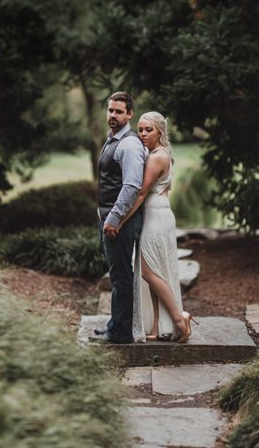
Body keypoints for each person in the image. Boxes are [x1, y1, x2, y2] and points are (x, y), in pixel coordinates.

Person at [120, 111, 193, 343]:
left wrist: (119, 220)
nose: (142, 133)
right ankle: (157, 326)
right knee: (153, 271)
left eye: (148, 129)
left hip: (156, 216)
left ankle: (180, 320)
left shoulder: (157, 157)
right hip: (158, 213)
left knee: (149, 272)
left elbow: (140, 194)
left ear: (160, 131)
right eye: (140, 129)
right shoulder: (159, 153)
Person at [92, 91, 148, 343]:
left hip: (120, 223)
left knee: (121, 277)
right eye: (110, 110)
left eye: (118, 111)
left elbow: (131, 186)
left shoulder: (129, 144)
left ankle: (121, 332)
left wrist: (113, 218)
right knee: (117, 276)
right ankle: (116, 324)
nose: (113, 115)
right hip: (110, 219)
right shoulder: (113, 139)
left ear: (129, 114)